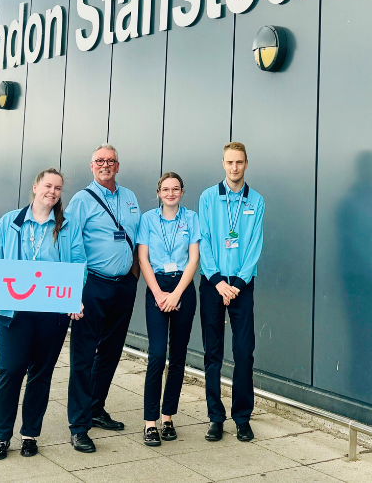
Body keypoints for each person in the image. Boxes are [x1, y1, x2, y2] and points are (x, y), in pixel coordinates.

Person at [0, 168, 86, 460]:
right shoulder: (10, 223)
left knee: (41, 374)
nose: (52, 191)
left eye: (58, 188)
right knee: (11, 371)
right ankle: (2, 437)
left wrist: (75, 296)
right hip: (14, 312)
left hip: (52, 313)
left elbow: (79, 262)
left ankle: (30, 435)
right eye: (48, 185)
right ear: (36, 186)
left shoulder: (67, 226)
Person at [64, 144, 142, 452]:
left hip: (124, 286)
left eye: (110, 161)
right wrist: (73, 292)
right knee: (83, 355)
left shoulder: (130, 197)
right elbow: (69, 243)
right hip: (92, 285)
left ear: (118, 166)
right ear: (92, 166)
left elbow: (137, 237)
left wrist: (133, 271)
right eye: (100, 161)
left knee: (111, 350)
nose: (105, 165)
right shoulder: (81, 200)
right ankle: (79, 424)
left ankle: (96, 408)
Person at [198, 141, 264, 442]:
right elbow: (205, 240)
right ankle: (215, 417)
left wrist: (236, 285)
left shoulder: (256, 201)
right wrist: (217, 282)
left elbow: (254, 247)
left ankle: (241, 417)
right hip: (213, 284)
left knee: (243, 353)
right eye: (229, 162)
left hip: (242, 286)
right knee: (212, 354)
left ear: (246, 164)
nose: (234, 168)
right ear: (223, 164)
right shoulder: (208, 198)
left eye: (239, 162)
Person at [137, 172, 201, 446]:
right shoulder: (148, 219)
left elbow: (194, 258)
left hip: (183, 287)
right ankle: (149, 422)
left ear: (182, 192)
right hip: (157, 285)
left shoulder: (192, 219)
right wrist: (159, 293)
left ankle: (167, 417)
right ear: (159, 192)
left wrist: (176, 294)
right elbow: (143, 258)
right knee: (157, 354)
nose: (171, 193)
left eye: (176, 189)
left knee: (177, 357)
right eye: (166, 189)